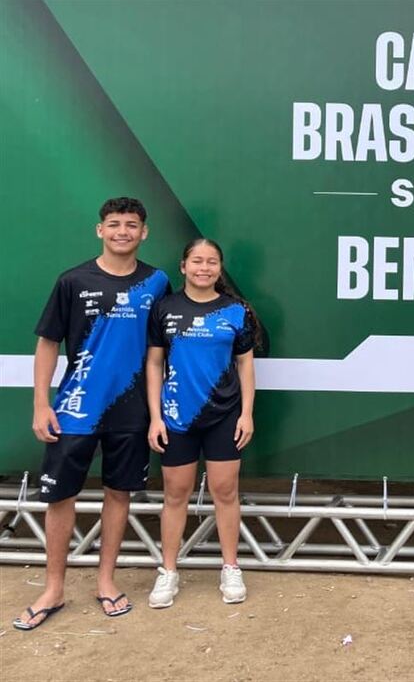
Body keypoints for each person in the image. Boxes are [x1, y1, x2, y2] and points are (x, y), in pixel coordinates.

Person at [14, 198, 171, 631]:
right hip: (74, 409)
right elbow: (48, 342)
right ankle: (53, 589)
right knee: (60, 496)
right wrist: (41, 403)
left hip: (132, 411)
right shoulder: (71, 281)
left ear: (145, 233)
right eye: (115, 224)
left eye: (132, 225)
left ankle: (106, 582)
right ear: (99, 230)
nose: (123, 231)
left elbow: (161, 348)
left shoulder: (158, 282)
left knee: (118, 493)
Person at [145, 238, 257, 608]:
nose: (204, 268)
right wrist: (155, 418)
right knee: (176, 494)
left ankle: (230, 567)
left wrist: (246, 413)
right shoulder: (165, 308)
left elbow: (245, 364)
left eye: (211, 262)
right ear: (183, 266)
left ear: (219, 269)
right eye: (197, 261)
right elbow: (154, 364)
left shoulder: (236, 311)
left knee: (225, 492)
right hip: (176, 418)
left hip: (225, 416)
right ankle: (168, 572)